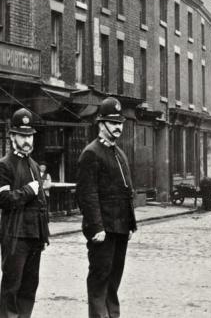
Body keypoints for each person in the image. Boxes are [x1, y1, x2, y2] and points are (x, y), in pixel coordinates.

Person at [76, 97, 138, 318]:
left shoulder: (119, 153)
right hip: (103, 231)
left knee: (114, 280)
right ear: (101, 124)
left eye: (120, 123)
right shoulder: (91, 153)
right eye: (113, 123)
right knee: (100, 279)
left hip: (120, 228)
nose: (118, 127)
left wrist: (131, 224)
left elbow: (126, 191)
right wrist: (96, 227)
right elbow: (87, 194)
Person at [0, 108, 50, 318]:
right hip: (14, 236)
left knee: (29, 287)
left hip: (34, 236)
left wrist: (44, 234)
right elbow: (0, 199)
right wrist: (28, 191)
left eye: (30, 136)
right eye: (22, 136)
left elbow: (40, 204)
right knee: (12, 287)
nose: (27, 141)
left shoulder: (33, 164)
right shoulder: (4, 165)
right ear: (12, 136)